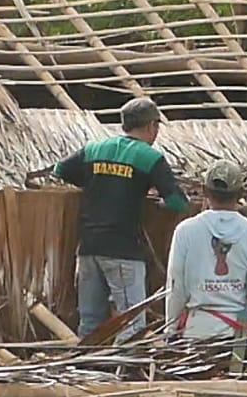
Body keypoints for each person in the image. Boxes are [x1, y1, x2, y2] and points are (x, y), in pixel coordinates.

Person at [54, 98, 190, 340]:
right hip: (123, 251)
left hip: (88, 249)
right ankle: (125, 374)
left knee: (90, 321)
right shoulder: (149, 158)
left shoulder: (95, 149)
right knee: (131, 324)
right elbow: (178, 201)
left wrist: (96, 184)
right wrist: (157, 202)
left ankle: (85, 370)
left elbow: (60, 170)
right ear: (152, 127)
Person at [165, 160, 247, 370]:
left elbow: (175, 288)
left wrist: (171, 331)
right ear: (240, 194)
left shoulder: (186, 231)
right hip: (240, 339)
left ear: (204, 191)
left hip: (197, 336)